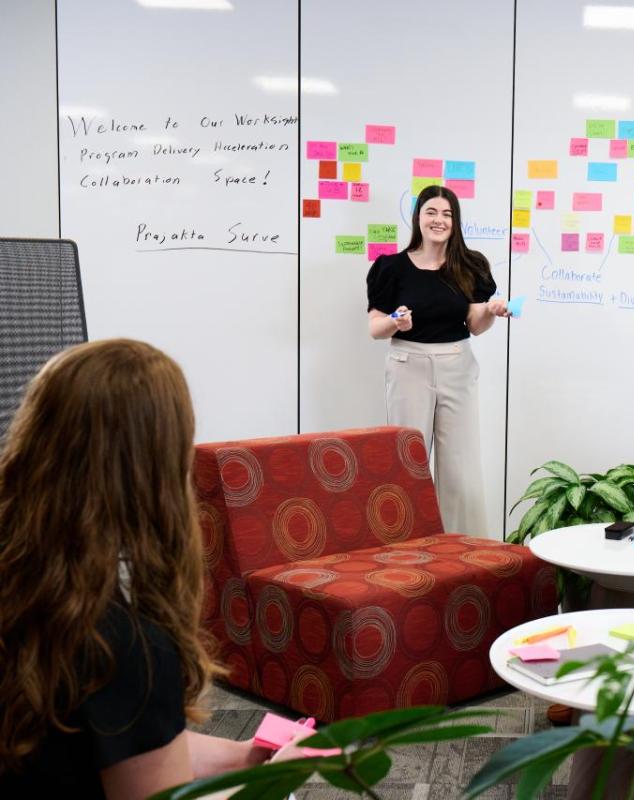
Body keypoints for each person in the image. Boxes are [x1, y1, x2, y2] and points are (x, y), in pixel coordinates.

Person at [0, 339, 303, 798]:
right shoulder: (126, 647)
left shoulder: (30, 587)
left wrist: (244, 759)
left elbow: (125, 742)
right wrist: (273, 784)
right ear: (157, 469)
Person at [366, 185, 509, 536]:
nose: (438, 220)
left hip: (456, 364)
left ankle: (465, 550)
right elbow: (375, 328)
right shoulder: (390, 267)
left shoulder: (471, 265)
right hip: (407, 365)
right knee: (406, 462)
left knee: (460, 468)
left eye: (447, 214)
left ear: (455, 222)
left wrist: (491, 311)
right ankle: (403, 549)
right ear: (418, 217)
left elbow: (475, 325)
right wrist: (395, 322)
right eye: (431, 212)